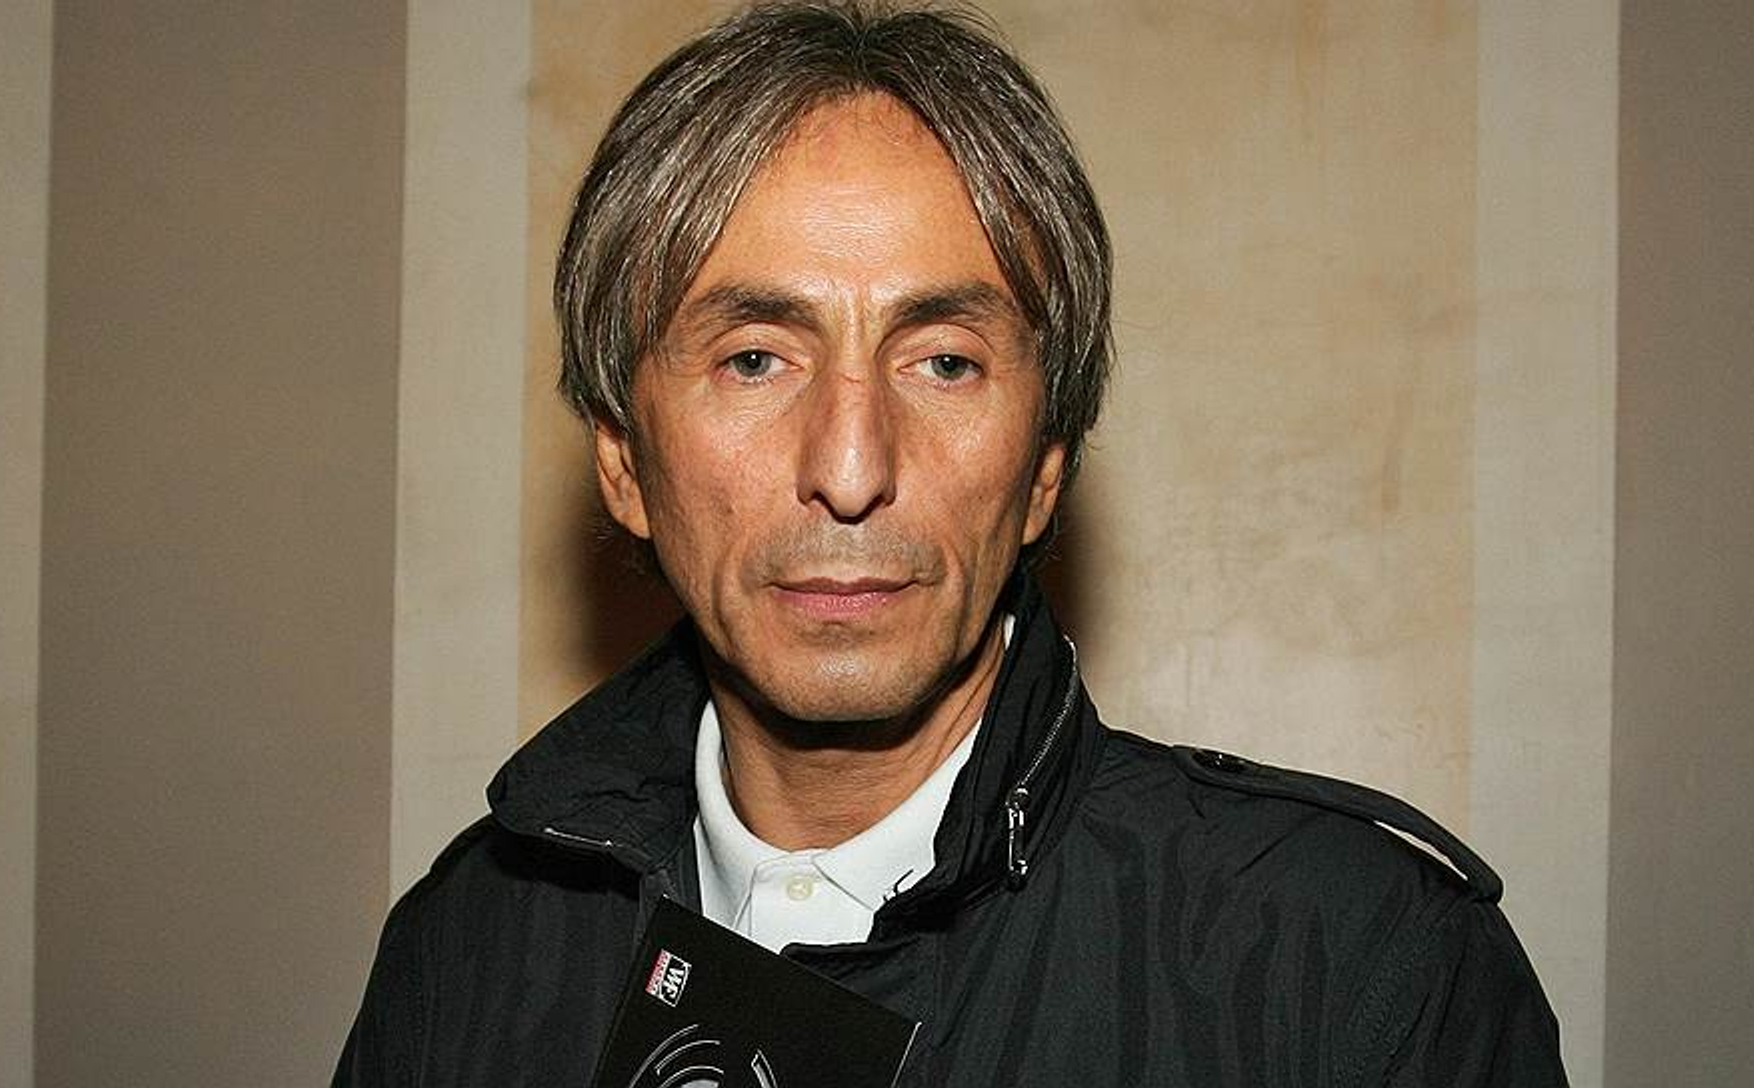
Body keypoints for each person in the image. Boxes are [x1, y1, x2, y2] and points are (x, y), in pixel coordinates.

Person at [335, 3, 1566, 1084]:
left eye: (943, 362)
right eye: (754, 358)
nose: (850, 467)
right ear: (622, 462)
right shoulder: (463, 953)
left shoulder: (1358, 966)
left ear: (1043, 467)